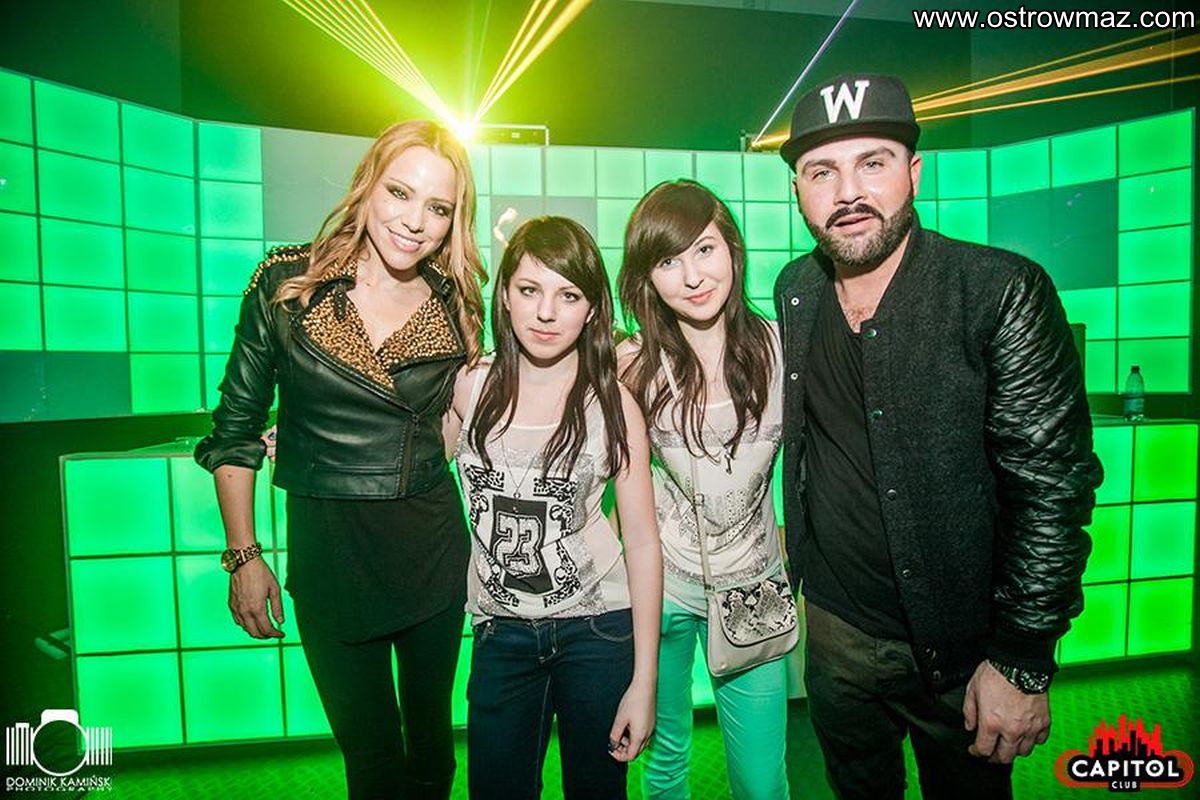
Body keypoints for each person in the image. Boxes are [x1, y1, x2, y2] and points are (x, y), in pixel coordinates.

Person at [772, 73, 1103, 799]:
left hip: (963, 652)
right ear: (798, 190)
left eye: (873, 163)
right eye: (822, 172)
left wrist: (1022, 661)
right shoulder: (797, 289)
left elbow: (1052, 489)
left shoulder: (998, 290)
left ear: (914, 173)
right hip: (835, 635)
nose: (848, 192)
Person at [194, 120, 486, 800]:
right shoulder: (287, 282)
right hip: (330, 558)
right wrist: (244, 556)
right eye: (400, 193)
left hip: (430, 555)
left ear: (453, 220)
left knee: (432, 758)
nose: (414, 222)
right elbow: (234, 431)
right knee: (372, 766)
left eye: (438, 208)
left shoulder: (456, 301)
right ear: (367, 185)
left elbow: (448, 428)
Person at [444, 216, 662, 799]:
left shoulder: (614, 405)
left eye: (568, 295)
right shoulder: (469, 388)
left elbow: (642, 543)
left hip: (598, 631)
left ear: (591, 310)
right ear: (505, 296)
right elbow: (404, 458)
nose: (546, 313)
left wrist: (645, 680)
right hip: (501, 634)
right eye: (529, 290)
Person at [616, 180, 791, 800]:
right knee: (664, 765)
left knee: (762, 784)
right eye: (668, 261)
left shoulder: (782, 347)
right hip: (661, 589)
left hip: (755, 589)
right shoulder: (631, 363)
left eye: (705, 250)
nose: (692, 277)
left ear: (733, 251)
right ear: (647, 277)